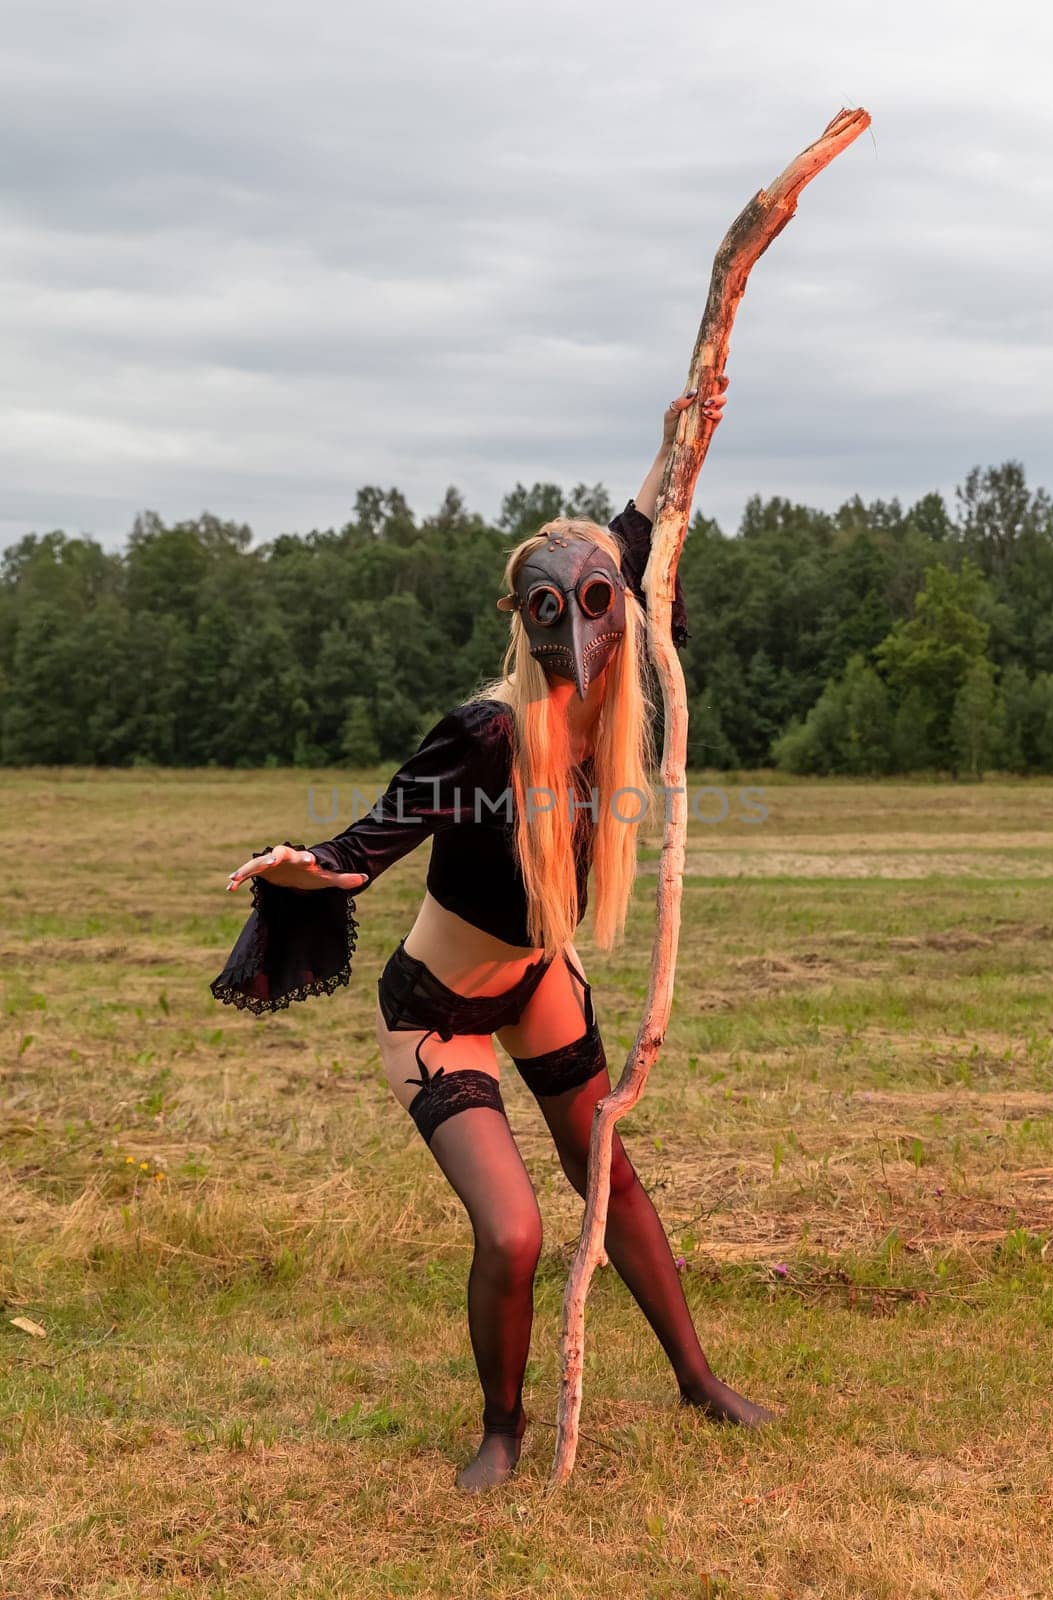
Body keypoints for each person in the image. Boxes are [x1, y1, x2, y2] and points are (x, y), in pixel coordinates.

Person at [211, 381, 775, 1493]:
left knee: (609, 1173)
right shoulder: (485, 735)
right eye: (551, 607)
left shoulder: (612, 685)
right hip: (439, 1015)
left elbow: (644, 525)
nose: (579, 623)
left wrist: (679, 436)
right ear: (524, 617)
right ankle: (502, 1431)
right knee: (514, 1233)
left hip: (539, 980)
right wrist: (304, 868)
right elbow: (375, 837)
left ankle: (699, 1380)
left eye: (598, 601)